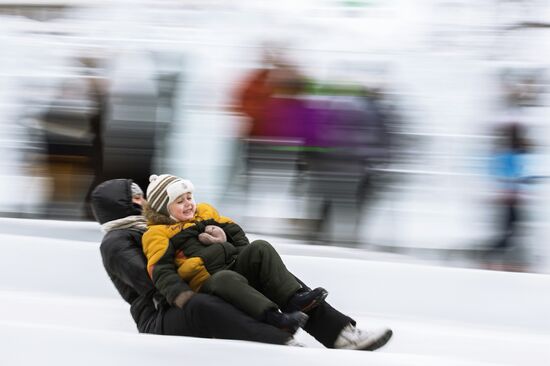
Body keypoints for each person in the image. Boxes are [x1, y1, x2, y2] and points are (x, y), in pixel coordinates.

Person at [142, 174, 393, 350]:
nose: (188, 204)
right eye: (179, 200)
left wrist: (228, 244)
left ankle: (316, 315)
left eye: (189, 197)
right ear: (164, 208)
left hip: (233, 266)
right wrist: (184, 297)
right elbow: (160, 270)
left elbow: (238, 234)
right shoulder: (157, 234)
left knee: (261, 248)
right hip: (209, 283)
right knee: (226, 278)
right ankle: (275, 320)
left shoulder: (206, 212)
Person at [91, 178, 301, 345]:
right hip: (159, 315)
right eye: (137, 198)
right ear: (120, 205)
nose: (144, 201)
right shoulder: (115, 242)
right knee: (204, 302)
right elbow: (152, 283)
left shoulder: (151, 227)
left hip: (174, 300)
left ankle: (293, 307)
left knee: (244, 270)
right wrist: (198, 275)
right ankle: (277, 340)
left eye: (141, 196)